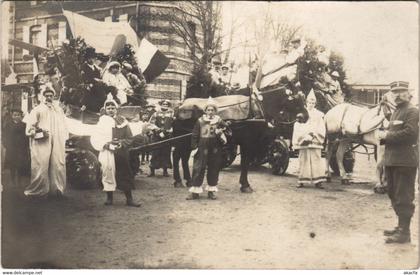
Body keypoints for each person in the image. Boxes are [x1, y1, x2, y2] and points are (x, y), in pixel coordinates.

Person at [377, 81, 419, 244]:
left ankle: (404, 233)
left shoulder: (412, 111)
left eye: (402, 91)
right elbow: (393, 131)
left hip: (405, 161)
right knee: (393, 193)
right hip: (392, 160)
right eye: (394, 92)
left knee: (403, 196)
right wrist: (383, 136)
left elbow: (410, 133)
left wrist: (386, 136)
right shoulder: (396, 112)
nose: (397, 94)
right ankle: (400, 226)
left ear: (408, 93)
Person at [90, 96, 141, 207]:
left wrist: (121, 143)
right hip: (107, 152)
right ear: (105, 109)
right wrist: (105, 144)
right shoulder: (101, 122)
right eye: (108, 108)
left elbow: (129, 138)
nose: (111, 109)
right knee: (107, 172)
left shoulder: (122, 121)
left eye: (113, 107)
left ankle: (129, 199)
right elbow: (95, 137)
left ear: (116, 109)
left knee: (125, 173)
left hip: (120, 152)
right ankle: (109, 198)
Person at [24, 86, 69, 198]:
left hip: (57, 139)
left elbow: (64, 125)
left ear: (54, 97)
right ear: (42, 97)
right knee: (41, 164)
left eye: (51, 96)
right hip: (42, 140)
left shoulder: (59, 110)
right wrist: (36, 131)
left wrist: (63, 137)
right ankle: (40, 190)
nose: (49, 98)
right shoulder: (37, 109)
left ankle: (57, 190)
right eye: (46, 96)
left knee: (58, 163)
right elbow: (30, 127)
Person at [187, 98, 229, 200]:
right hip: (202, 147)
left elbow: (228, 131)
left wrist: (221, 132)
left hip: (215, 148)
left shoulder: (219, 121)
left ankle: (211, 191)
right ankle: (195, 192)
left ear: (215, 111)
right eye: (208, 110)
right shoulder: (200, 121)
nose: (210, 112)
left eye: (212, 110)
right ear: (205, 111)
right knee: (198, 168)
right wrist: (194, 146)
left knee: (214, 168)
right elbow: (195, 134)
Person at [292, 89, 326, 189]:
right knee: (303, 160)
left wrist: (314, 134)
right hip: (304, 139)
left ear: (315, 104)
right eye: (309, 102)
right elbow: (298, 125)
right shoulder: (302, 112)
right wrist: (304, 136)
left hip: (315, 139)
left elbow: (321, 127)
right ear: (306, 102)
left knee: (316, 159)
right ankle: (302, 180)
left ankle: (318, 181)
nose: (311, 104)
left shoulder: (319, 115)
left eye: (313, 102)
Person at [3, 109, 30, 186]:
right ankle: (12, 179)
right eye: (15, 115)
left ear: (21, 116)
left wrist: (26, 145)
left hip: (21, 148)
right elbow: (5, 135)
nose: (16, 116)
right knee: (12, 164)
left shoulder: (24, 125)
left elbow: (26, 136)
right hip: (12, 148)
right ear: (12, 116)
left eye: (18, 115)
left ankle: (19, 180)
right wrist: (6, 144)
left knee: (20, 165)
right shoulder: (8, 125)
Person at [148, 100, 174, 177]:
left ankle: (165, 171)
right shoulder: (155, 113)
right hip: (157, 136)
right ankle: (152, 171)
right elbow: (151, 123)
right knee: (155, 152)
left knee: (166, 152)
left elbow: (174, 123)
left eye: (167, 104)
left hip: (167, 135)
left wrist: (171, 129)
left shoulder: (171, 114)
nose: (165, 105)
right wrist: (158, 130)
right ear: (161, 105)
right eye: (163, 104)